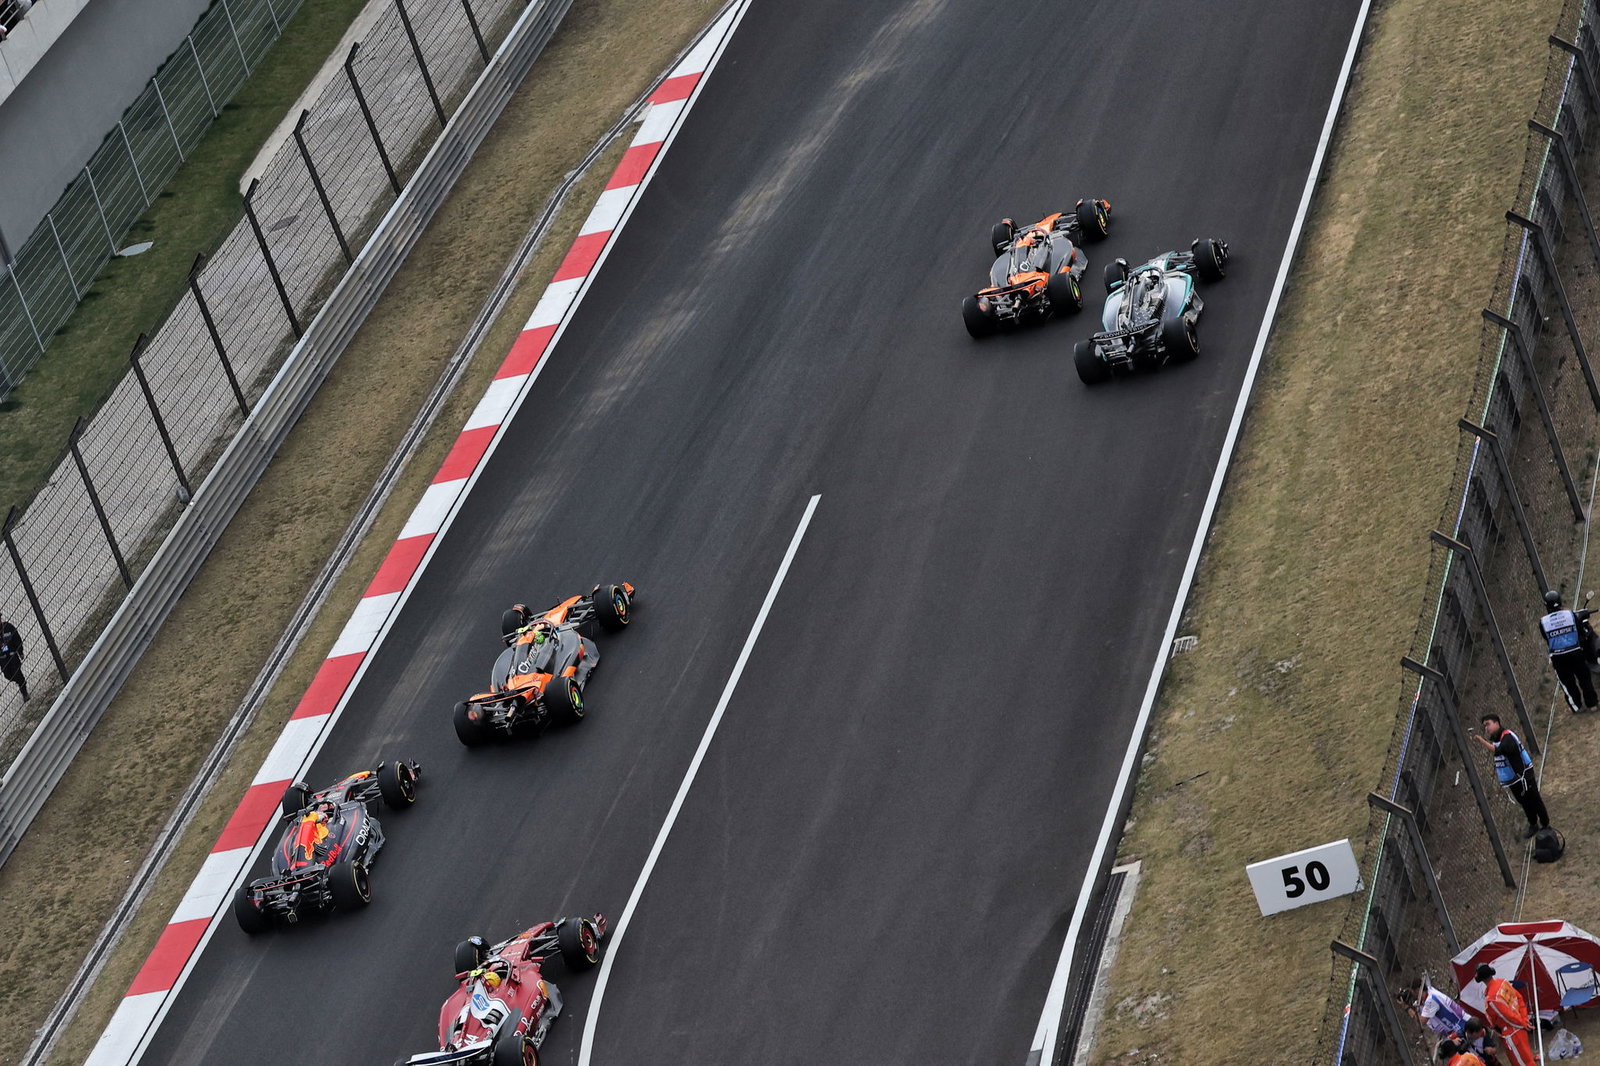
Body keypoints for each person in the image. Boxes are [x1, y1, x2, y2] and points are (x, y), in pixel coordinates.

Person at [1472, 714, 1549, 839]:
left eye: (1488, 724)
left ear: (1497, 723)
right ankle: (1533, 824)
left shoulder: (1507, 737)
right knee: (1524, 801)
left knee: (1534, 799)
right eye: (1484, 726)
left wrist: (1481, 741)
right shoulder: (1496, 738)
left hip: (1523, 774)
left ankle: (1545, 824)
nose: (1486, 728)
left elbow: (1499, 751)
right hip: (1514, 778)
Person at [1540, 591, 1598, 711]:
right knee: (1584, 678)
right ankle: (1592, 704)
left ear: (1546, 606)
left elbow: (1546, 638)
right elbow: (1580, 631)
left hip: (1558, 656)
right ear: (1560, 602)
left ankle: (1576, 706)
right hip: (1575, 652)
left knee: (1567, 682)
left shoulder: (1543, 622)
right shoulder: (1570, 614)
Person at [1476, 964, 1538, 1066]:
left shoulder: (1492, 998)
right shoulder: (1503, 982)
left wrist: (1523, 1023)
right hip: (1519, 1027)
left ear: (1481, 979)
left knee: (1521, 1063)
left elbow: (1507, 1017)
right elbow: (1519, 998)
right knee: (1527, 1059)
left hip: (1512, 1033)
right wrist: (1525, 1019)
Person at [0, 614, 28, 701]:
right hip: (2, 658)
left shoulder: (8, 627)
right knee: (7, 675)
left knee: (17, 672)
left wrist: (20, 651)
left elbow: (17, 638)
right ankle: (20, 681)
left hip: (13, 655)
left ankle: (24, 692)